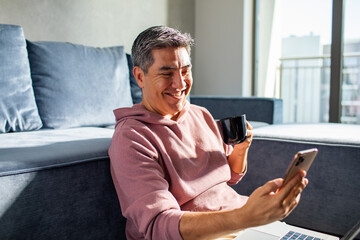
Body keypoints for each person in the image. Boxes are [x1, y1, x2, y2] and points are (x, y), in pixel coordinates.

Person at [109, 26, 308, 240]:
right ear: (140, 76)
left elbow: (229, 176)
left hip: (242, 225)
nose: (180, 83)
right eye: (167, 73)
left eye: (185, 71)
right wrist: (245, 217)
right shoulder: (131, 138)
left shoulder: (200, 114)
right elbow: (158, 226)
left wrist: (240, 150)